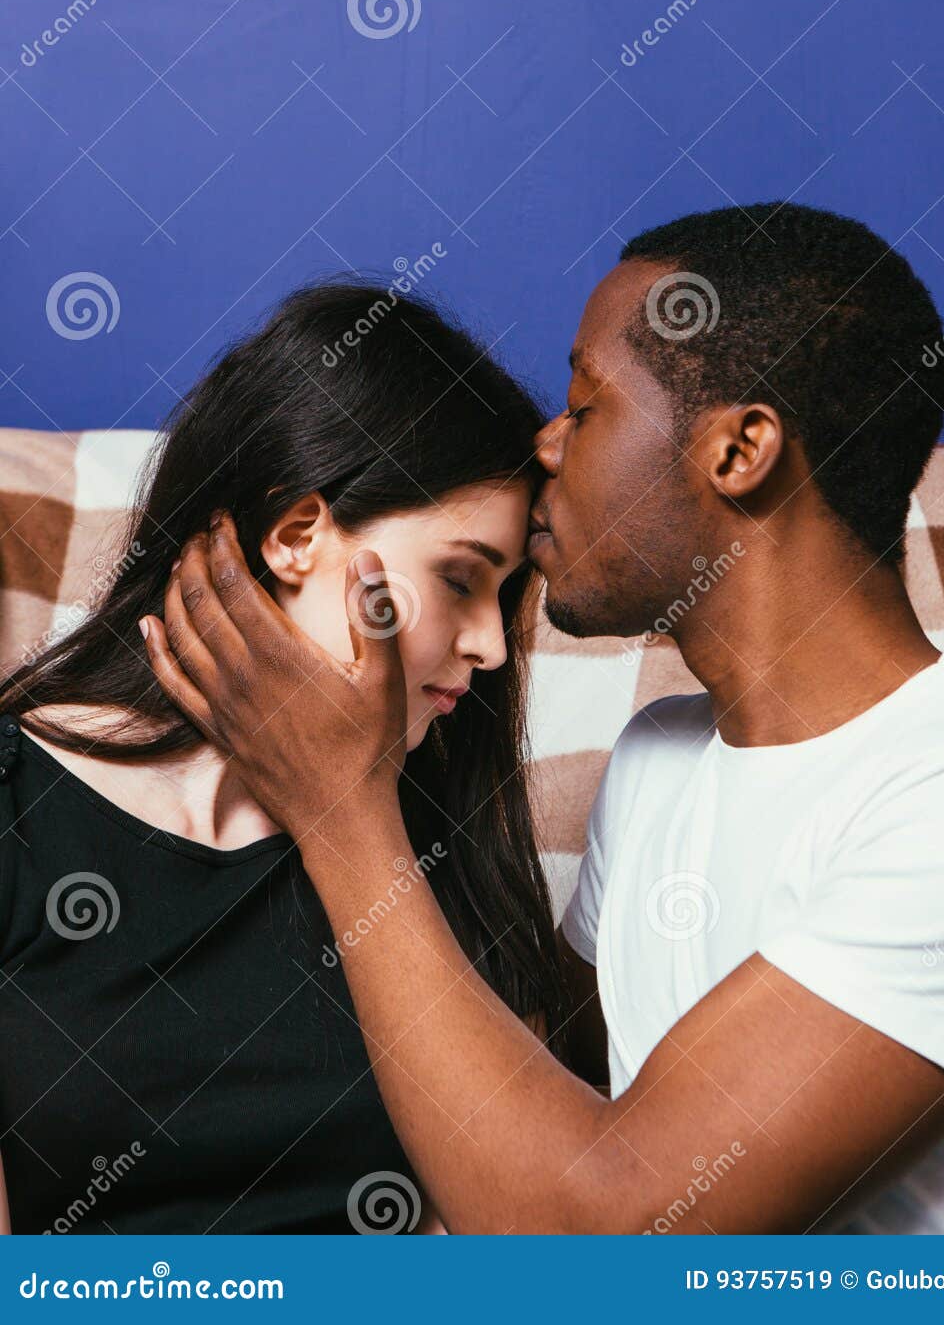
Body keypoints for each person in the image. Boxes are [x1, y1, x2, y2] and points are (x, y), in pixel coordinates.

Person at [142, 201, 944, 1235]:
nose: (545, 445)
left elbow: (603, 1236)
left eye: (584, 408)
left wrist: (340, 808)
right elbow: (529, 1110)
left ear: (739, 450)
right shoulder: (658, 757)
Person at [0, 281, 567, 1234]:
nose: (491, 646)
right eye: (459, 578)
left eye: (505, 597)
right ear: (298, 536)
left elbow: (506, 1235)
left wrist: (355, 813)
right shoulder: (19, 808)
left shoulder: (439, 842)